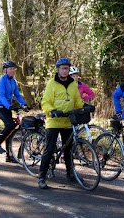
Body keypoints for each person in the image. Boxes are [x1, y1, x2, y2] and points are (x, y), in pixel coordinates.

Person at [38, 58, 84, 189]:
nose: (65, 71)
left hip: (68, 120)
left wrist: (84, 107)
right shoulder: (52, 84)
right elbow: (45, 101)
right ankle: (42, 177)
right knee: (49, 149)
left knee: (69, 149)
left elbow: (77, 100)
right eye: (63, 68)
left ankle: (70, 174)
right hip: (54, 121)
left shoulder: (72, 84)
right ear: (58, 69)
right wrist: (52, 111)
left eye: (67, 68)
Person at [0, 60, 28, 162]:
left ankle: (9, 155)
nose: (13, 71)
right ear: (5, 70)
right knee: (10, 125)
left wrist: (24, 104)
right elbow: (1, 96)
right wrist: (9, 106)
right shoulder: (1, 81)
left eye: (14, 69)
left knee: (11, 129)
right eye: (11, 69)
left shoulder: (13, 81)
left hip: (7, 106)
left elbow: (17, 94)